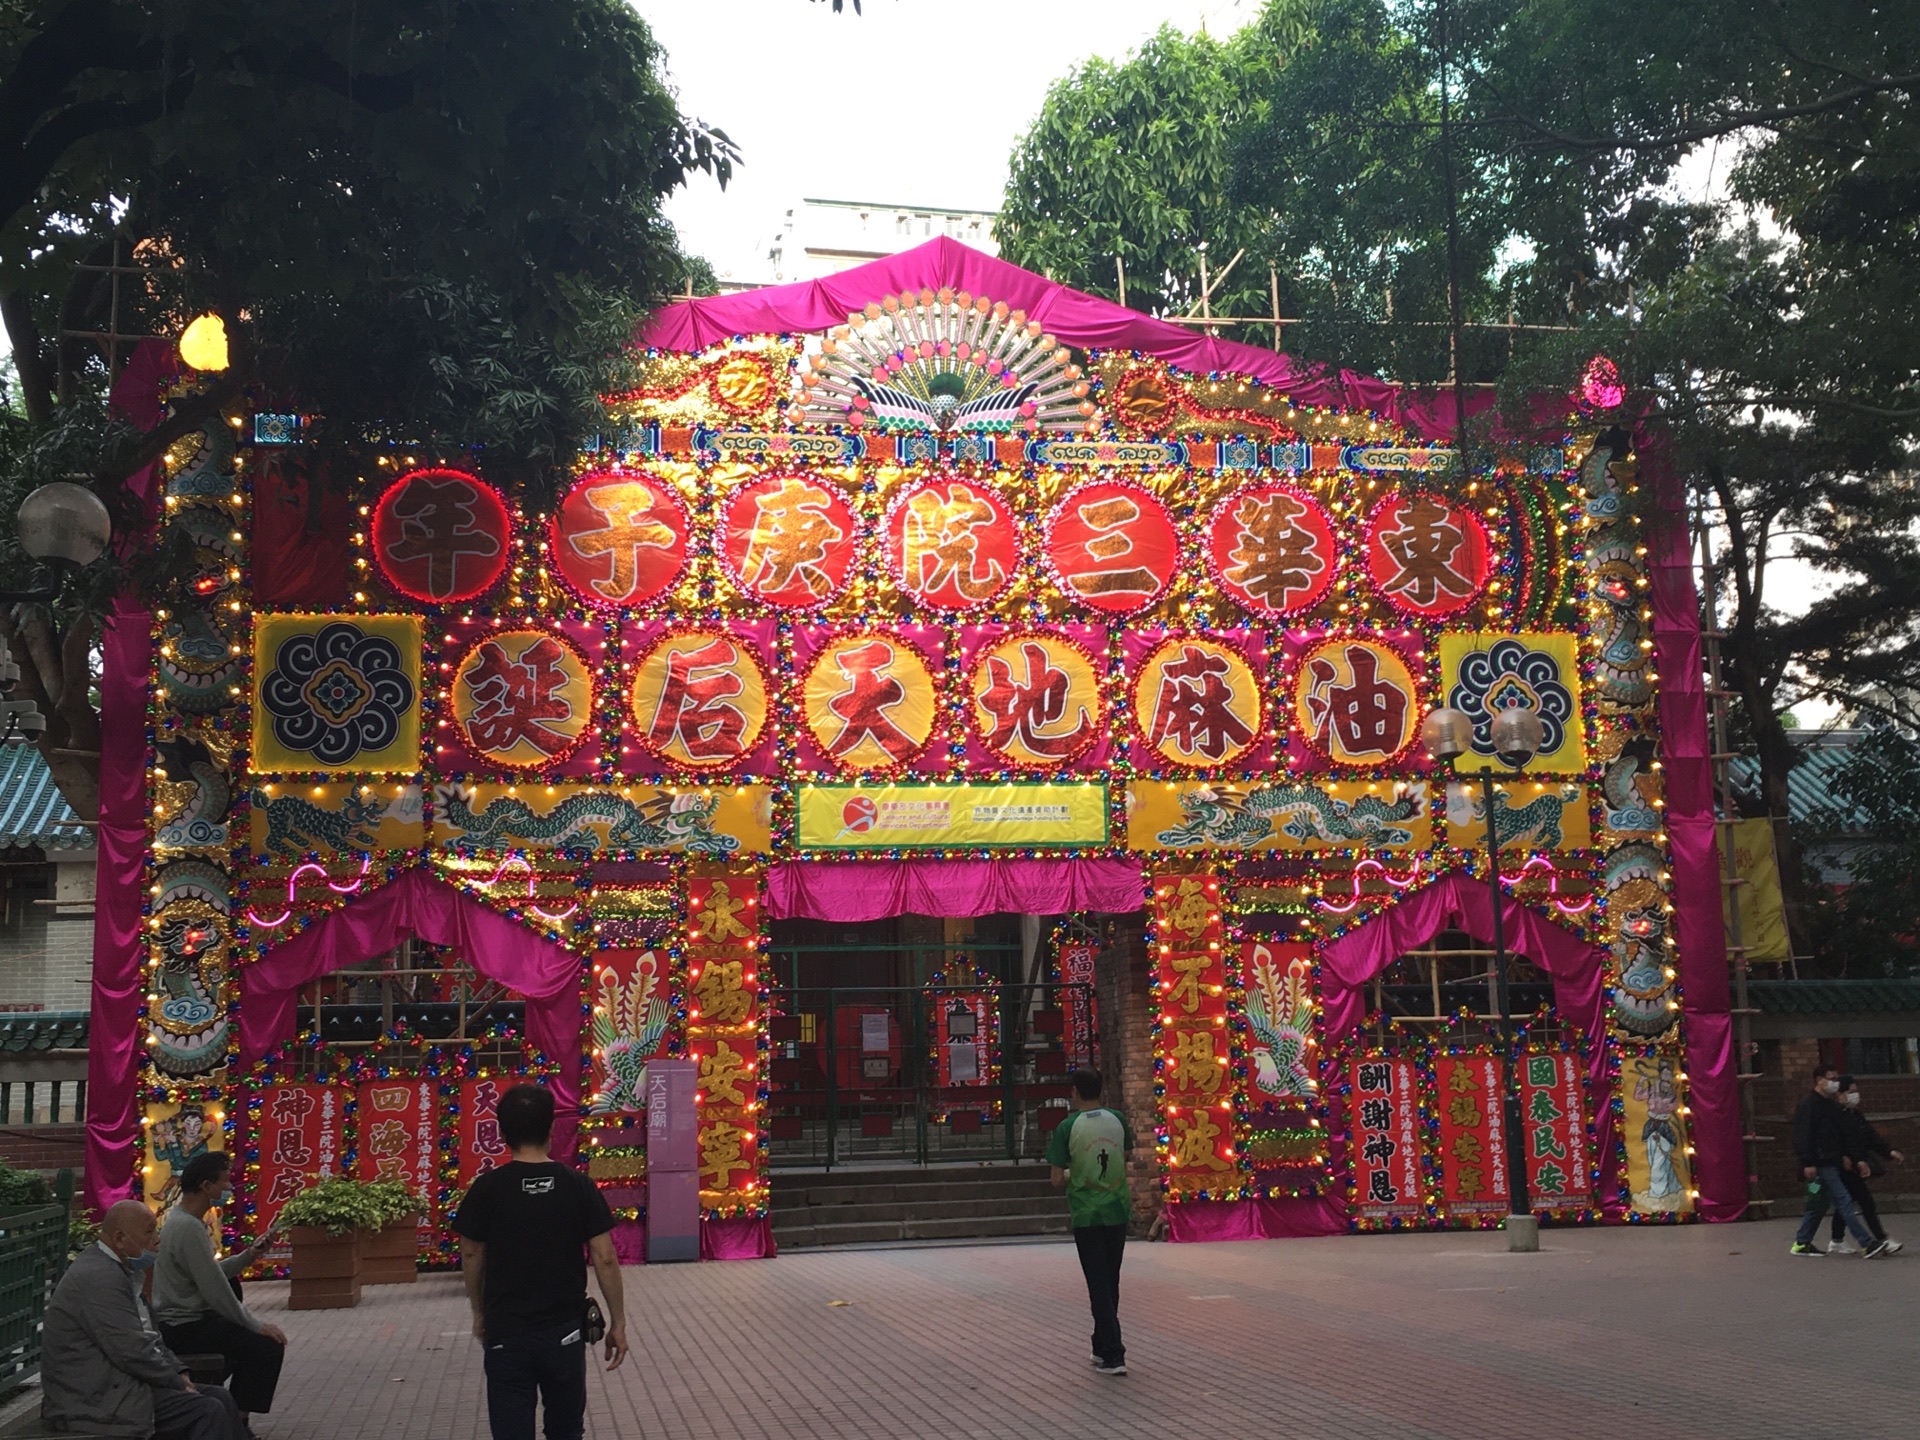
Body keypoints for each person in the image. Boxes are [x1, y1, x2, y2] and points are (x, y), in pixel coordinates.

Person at [453, 1083, 628, 1440]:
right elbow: (605, 1259)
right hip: (564, 1331)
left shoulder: (487, 1189)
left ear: (503, 1133)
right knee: (566, 1429)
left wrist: (479, 1312)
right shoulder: (577, 1185)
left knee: (511, 1429)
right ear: (551, 1128)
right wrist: (618, 1323)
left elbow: (472, 1253)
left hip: (506, 1331)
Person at [41, 1199, 247, 1439]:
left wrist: (179, 1371)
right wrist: (177, 1383)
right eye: (149, 1232)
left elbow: (151, 1338)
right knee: (206, 1410)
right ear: (120, 1239)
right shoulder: (100, 1277)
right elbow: (132, 1351)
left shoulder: (120, 1271)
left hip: (119, 1386)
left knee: (219, 1397)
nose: (157, 1239)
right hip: (93, 1400)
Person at [153, 1152, 289, 1422]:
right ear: (206, 1186)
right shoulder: (188, 1228)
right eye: (224, 1183)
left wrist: (250, 1253)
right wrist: (257, 1325)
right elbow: (216, 1291)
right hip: (183, 1327)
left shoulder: (184, 1221)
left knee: (248, 1335)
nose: (229, 1189)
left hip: (186, 1323)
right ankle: (239, 1420)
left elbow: (212, 1274)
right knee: (266, 1345)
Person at [1047, 1068, 1134, 1377]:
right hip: (1117, 1208)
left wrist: (1076, 1174)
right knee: (1110, 1279)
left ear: (1074, 1092)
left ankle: (1114, 1353)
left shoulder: (1067, 1127)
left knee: (1097, 1282)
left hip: (1086, 1213)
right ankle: (1100, 1345)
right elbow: (1124, 1156)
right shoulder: (1118, 1120)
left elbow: (1057, 1179)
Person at [1790, 1062, 1890, 1257]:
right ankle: (1866, 1242)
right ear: (1819, 1080)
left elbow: (1838, 1134)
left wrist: (1846, 1156)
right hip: (1821, 1162)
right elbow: (1803, 1135)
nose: (1835, 1083)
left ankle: (1802, 1242)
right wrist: (1807, 1161)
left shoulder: (1829, 1106)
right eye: (1832, 1079)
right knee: (1844, 1201)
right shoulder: (1809, 1105)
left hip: (1831, 1160)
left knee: (1818, 1204)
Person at [1827, 1076, 1905, 1255]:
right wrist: (1855, 1159)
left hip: (1854, 1163)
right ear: (1840, 1094)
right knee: (1866, 1201)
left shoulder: (1855, 1115)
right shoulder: (1837, 1116)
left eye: (1856, 1091)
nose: (1855, 1095)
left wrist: (1889, 1151)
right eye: (1851, 1092)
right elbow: (1842, 1142)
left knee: (1847, 1202)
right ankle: (1881, 1238)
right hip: (1845, 1165)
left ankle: (1836, 1239)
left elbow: (1870, 1136)